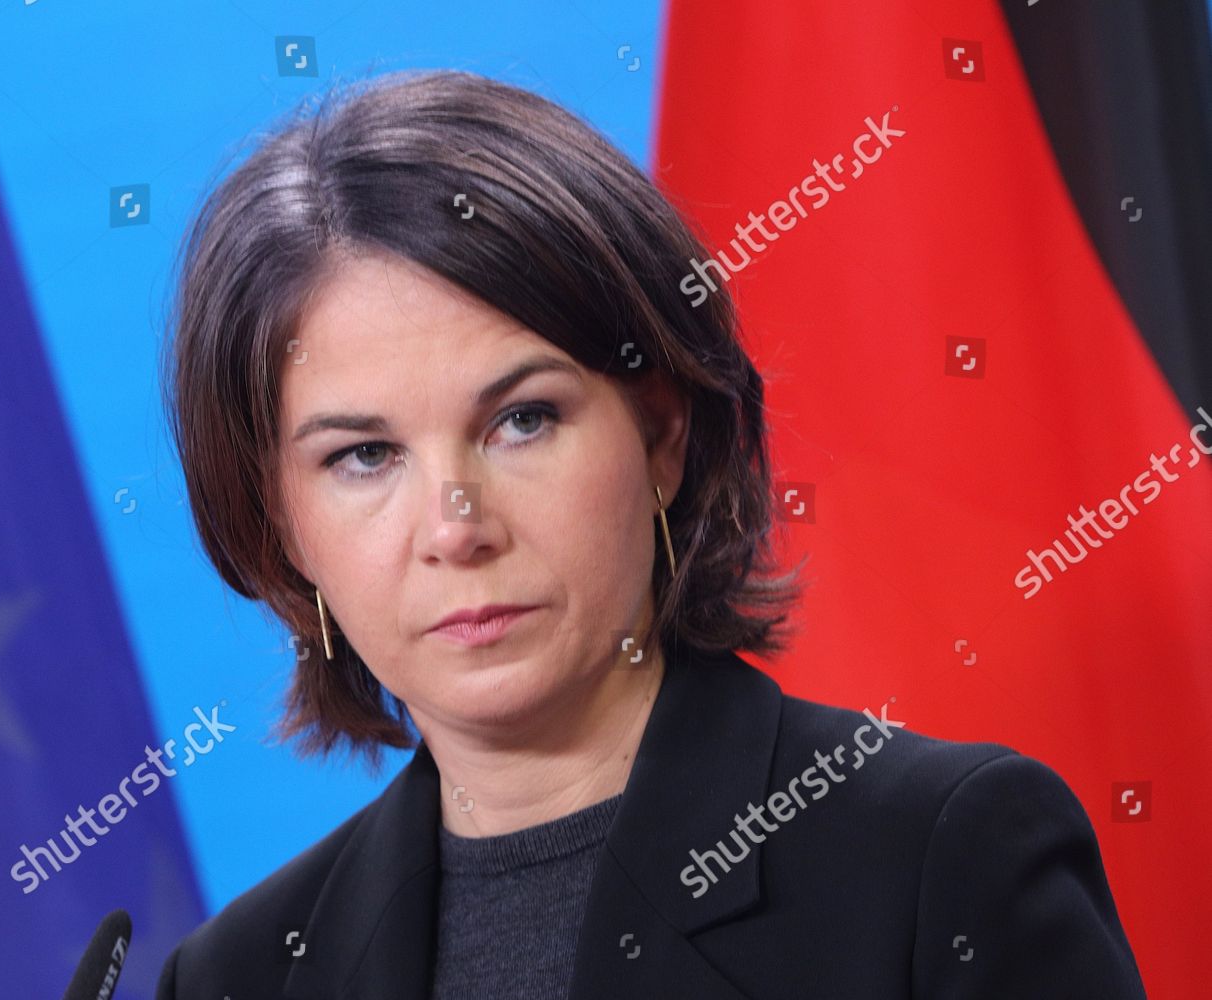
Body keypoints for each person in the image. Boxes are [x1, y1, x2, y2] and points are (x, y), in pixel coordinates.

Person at [154, 69, 1146, 999]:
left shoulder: (942, 858)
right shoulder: (237, 973)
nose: (456, 530)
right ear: (280, 525)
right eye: (364, 456)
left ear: (662, 436)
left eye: (523, 420)